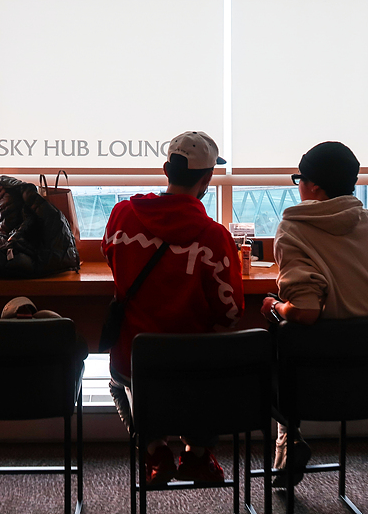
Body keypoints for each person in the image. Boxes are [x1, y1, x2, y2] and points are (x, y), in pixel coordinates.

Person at [102, 130, 244, 486]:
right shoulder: (214, 236)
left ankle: (154, 451)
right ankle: (197, 455)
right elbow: (231, 312)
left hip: (136, 362)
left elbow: (110, 258)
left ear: (166, 169)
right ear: (208, 179)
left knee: (120, 381)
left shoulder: (122, 216)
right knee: (211, 376)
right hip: (193, 368)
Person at [260, 141, 368, 486]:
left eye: (299, 180)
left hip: (320, 384)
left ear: (314, 187)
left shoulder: (295, 228)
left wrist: (275, 306)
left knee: (273, 331)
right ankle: (287, 443)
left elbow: (307, 312)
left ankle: (289, 438)